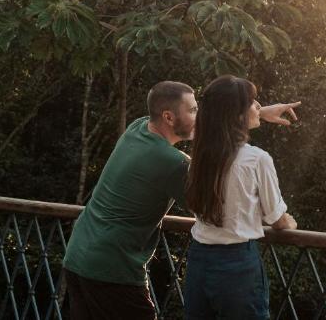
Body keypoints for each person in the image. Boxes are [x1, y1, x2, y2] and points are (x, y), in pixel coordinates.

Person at [63, 80, 300, 320]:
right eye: (193, 110)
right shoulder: (173, 164)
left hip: (77, 255)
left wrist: (254, 112)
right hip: (112, 269)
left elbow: (213, 144)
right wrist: (242, 117)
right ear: (168, 117)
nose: (200, 116)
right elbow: (220, 206)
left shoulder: (138, 128)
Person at [183, 75, 297, 320]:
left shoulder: (202, 152)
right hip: (236, 267)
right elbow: (276, 219)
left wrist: (260, 112)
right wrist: (289, 222)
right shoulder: (257, 159)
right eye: (253, 102)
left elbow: (214, 118)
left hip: (199, 262)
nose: (258, 106)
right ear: (236, 115)